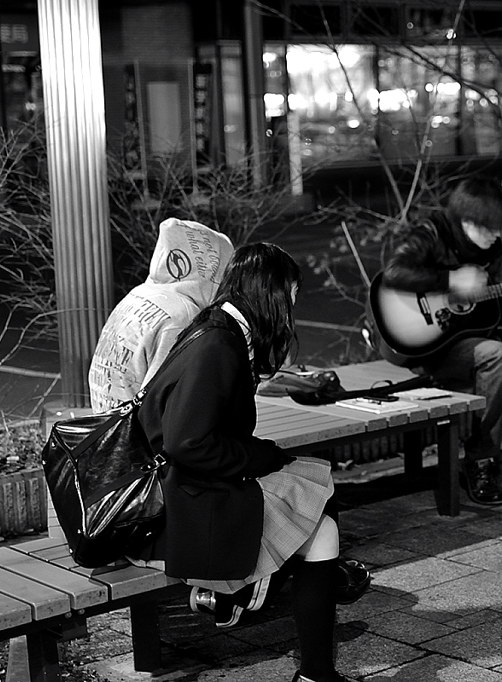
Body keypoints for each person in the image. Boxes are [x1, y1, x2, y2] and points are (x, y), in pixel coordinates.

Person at [90, 219, 369, 605]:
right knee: (307, 486)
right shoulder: (195, 326)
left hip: (134, 470)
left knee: (307, 481)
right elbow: (183, 432)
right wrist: (256, 456)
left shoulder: (154, 302)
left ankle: (297, 584)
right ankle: (254, 588)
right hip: (157, 496)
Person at [133, 243, 352, 682]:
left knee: (313, 489)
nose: (293, 303)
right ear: (272, 292)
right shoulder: (219, 343)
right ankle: (312, 668)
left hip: (189, 483)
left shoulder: (220, 329)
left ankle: (248, 594)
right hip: (181, 501)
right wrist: (260, 457)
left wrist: (262, 456)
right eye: (291, 291)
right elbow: (188, 443)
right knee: (320, 523)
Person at [381, 177, 502, 506]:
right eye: (490, 228)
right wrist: (450, 280)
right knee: (497, 354)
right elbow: (393, 273)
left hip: (476, 342)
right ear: (468, 220)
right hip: (431, 347)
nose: (496, 235)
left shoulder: (492, 250)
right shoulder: (432, 233)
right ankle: (481, 462)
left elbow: (495, 311)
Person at [89, 217, 234, 413]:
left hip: (106, 425)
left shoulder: (140, 294)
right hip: (135, 438)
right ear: (212, 269)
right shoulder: (182, 316)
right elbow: (162, 403)